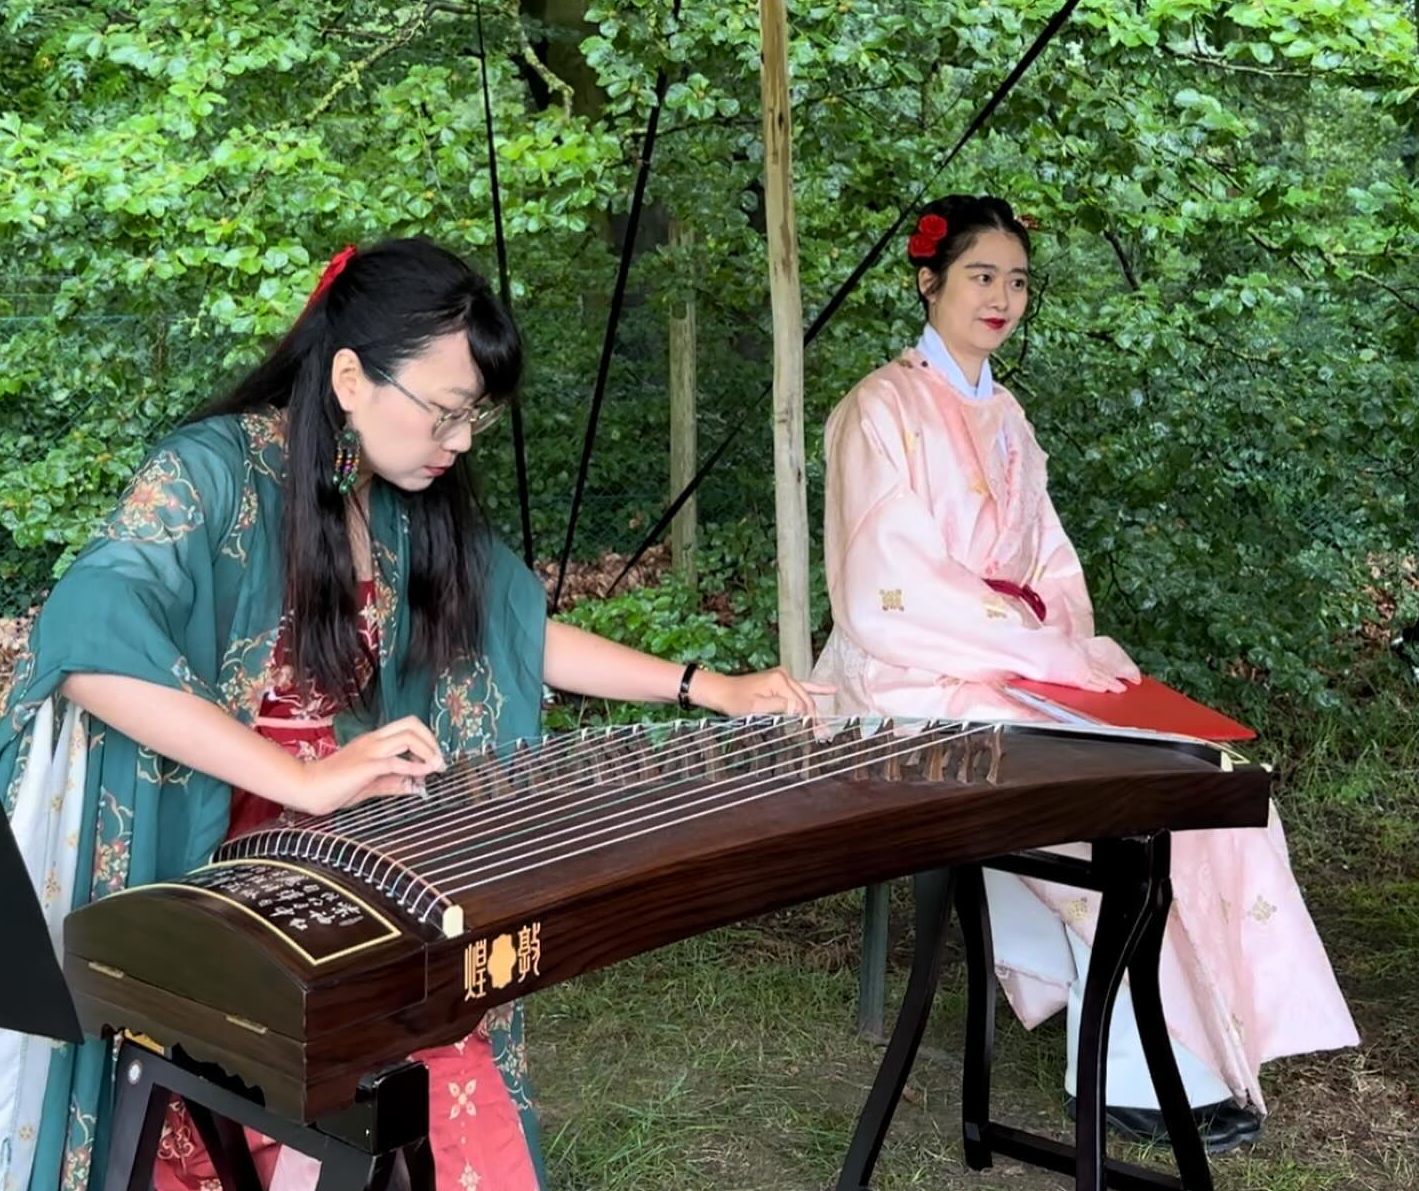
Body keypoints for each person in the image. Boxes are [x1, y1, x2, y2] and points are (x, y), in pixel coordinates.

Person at [0, 236, 825, 1191]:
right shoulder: (211, 473)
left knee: (432, 1057)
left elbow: (511, 632)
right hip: (207, 858)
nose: (461, 441)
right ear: (350, 376)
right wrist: (301, 775)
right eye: (445, 412)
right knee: (375, 1072)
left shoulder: (397, 497)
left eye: (472, 416)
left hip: (347, 855)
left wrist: (708, 687)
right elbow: (86, 643)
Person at [810, 195, 1358, 1151]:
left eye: (1017, 281)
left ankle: (1199, 1052)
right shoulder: (878, 407)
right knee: (1101, 799)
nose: (1003, 297)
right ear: (927, 280)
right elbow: (883, 584)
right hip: (908, 679)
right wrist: (1031, 651)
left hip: (1011, 664)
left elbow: (1051, 568)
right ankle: (1131, 1071)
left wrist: (1061, 651)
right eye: (982, 275)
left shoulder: (1007, 413)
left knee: (1195, 776)